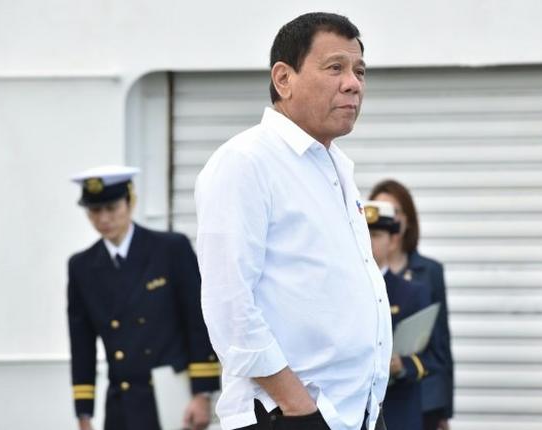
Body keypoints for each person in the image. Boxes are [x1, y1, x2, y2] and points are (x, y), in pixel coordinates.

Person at [194, 12, 391, 430]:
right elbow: (229, 305)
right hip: (286, 417)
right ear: (283, 79)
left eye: (359, 71)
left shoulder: (335, 166)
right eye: (335, 67)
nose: (353, 83)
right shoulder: (246, 162)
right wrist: (298, 407)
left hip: (351, 415)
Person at [67, 165, 219, 430]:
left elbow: (198, 322)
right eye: (95, 211)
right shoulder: (82, 266)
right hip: (122, 402)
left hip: (173, 397)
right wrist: (84, 414)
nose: (104, 218)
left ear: (130, 202)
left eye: (112, 208)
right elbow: (82, 345)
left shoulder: (171, 249)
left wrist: (202, 393)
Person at [369, 179, 454, 430]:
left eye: (377, 235)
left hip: (409, 403)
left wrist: (442, 410)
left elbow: (438, 350)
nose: (371, 242)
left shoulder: (422, 280)